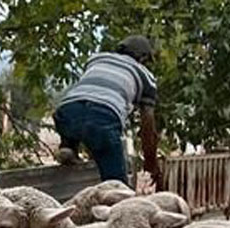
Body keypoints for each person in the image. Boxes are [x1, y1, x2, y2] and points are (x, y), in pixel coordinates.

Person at [53, 35, 161, 188]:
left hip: (66, 113)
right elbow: (148, 125)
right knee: (117, 188)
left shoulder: (97, 59)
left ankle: (68, 145)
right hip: (103, 118)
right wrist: (151, 164)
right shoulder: (146, 76)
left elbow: (91, 92)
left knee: (82, 114)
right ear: (142, 58)